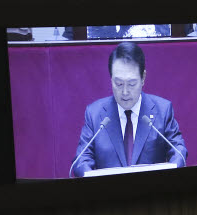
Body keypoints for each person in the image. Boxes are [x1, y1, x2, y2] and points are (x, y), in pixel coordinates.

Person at [72, 42, 187, 176]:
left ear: (143, 78)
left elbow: (179, 150)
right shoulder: (94, 113)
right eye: (118, 83)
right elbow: (82, 159)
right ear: (110, 79)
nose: (125, 92)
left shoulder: (162, 110)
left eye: (132, 84)